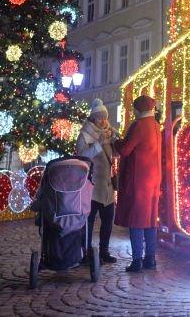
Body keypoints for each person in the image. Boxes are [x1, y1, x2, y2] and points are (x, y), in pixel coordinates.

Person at [114, 94, 161, 273]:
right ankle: (150, 258)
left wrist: (115, 141)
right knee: (150, 220)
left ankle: (137, 260)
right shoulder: (156, 125)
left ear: (139, 109)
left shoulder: (139, 125)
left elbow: (126, 150)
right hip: (153, 179)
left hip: (138, 178)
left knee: (136, 220)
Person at [75, 99, 118, 264]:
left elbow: (114, 155)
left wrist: (115, 143)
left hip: (106, 187)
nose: (103, 120)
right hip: (90, 187)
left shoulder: (108, 133)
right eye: (99, 117)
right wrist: (98, 144)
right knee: (88, 223)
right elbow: (82, 156)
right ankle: (85, 253)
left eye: (104, 117)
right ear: (92, 119)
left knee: (108, 222)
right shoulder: (85, 134)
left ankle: (104, 251)